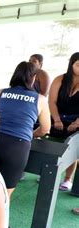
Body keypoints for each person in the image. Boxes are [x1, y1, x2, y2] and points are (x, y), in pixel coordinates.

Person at [0, 62, 50, 228]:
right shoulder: (40, 99)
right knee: (6, 192)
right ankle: (0, 227)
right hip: (18, 147)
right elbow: (46, 128)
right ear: (32, 78)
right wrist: (29, 134)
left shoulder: (1, 93)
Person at [48, 52, 79, 191]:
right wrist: (57, 119)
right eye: (78, 65)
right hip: (57, 117)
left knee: (72, 148)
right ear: (71, 65)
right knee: (51, 144)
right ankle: (48, 172)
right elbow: (51, 101)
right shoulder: (60, 79)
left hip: (76, 119)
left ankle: (67, 179)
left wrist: (77, 123)